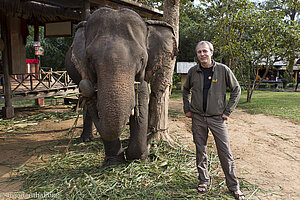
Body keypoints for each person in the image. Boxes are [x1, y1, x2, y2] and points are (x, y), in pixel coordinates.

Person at [182, 41, 245, 200]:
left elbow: (236, 90)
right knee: (200, 150)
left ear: (211, 52)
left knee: (225, 152)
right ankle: (203, 180)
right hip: (198, 118)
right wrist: (187, 109)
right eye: (199, 52)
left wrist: (227, 111)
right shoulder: (193, 71)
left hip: (217, 119)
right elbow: (185, 90)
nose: (202, 54)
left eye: (204, 51)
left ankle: (233, 186)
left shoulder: (223, 70)